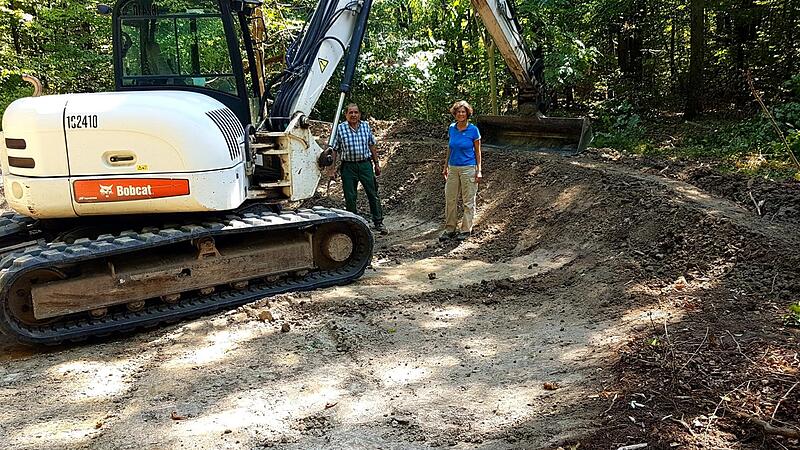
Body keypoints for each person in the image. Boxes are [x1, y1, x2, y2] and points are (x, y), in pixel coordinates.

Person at [332, 103, 387, 234]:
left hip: (365, 165)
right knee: (350, 196)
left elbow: (372, 145)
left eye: (356, 112)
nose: (353, 115)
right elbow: (334, 149)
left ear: (359, 114)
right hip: (348, 167)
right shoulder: (340, 128)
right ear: (346, 115)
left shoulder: (365, 126)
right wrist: (332, 169)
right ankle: (353, 225)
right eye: (350, 112)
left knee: (372, 193)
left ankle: (378, 222)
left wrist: (377, 164)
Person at [440, 100, 482, 241]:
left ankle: (465, 230)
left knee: (468, 200)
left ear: (467, 113)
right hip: (453, 168)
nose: (461, 114)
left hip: (468, 168)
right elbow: (450, 148)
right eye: (458, 112)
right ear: (455, 113)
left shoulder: (473, 130)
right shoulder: (452, 128)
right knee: (450, 199)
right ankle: (450, 229)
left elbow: (478, 152)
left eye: (463, 112)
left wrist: (479, 170)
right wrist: (445, 166)